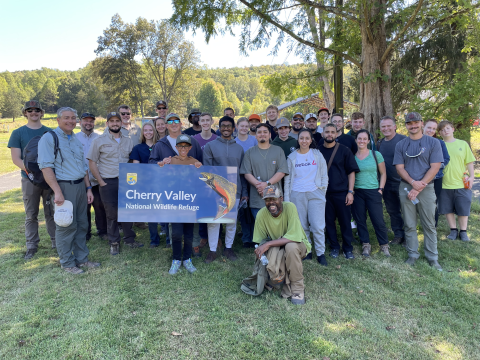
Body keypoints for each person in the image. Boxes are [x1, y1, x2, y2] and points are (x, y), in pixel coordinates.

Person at [38, 107, 99, 274]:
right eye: (66, 118)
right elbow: (46, 167)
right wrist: (57, 192)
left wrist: (88, 188)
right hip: (64, 187)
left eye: (73, 118)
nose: (70, 121)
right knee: (66, 225)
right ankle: (67, 263)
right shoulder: (49, 138)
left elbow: (83, 167)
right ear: (58, 120)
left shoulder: (75, 140)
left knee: (81, 224)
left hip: (80, 185)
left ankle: (82, 259)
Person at [393, 112, 444, 271]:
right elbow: (399, 168)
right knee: (409, 224)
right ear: (406, 125)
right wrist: (413, 183)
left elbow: (435, 167)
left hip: (427, 188)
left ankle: (432, 257)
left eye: (416, 122)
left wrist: (419, 185)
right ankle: (412, 254)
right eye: (409, 123)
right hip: (406, 186)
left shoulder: (434, 143)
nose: (413, 125)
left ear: (422, 123)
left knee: (429, 224)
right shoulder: (401, 145)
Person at [88, 112, 142, 255]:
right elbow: (91, 162)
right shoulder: (98, 141)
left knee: (127, 211)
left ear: (121, 123)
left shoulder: (128, 140)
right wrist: (100, 181)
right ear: (107, 123)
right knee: (111, 214)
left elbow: (131, 160)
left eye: (117, 121)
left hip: (126, 181)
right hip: (108, 182)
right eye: (111, 121)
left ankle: (130, 239)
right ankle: (114, 242)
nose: (115, 123)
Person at [8, 100, 56, 259]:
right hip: (29, 179)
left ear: (42, 113)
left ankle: (56, 241)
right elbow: (16, 158)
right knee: (31, 214)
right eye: (30, 110)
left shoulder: (49, 132)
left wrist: (45, 173)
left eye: (37, 110)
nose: (33, 113)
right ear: (25, 113)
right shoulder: (18, 133)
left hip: (47, 179)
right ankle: (31, 245)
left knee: (51, 212)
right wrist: (32, 172)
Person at [252, 185, 311, 305]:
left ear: (281, 199)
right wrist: (260, 252)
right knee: (268, 251)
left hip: (298, 245)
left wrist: (268, 244)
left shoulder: (290, 207)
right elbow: (260, 241)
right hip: (277, 247)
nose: (271, 203)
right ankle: (276, 278)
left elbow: (293, 237)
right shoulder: (261, 214)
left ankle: (297, 288)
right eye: (268, 200)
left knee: (291, 247)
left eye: (274, 199)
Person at [203, 116, 248, 263]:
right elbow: (207, 170)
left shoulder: (239, 149)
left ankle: (228, 248)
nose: (226, 128)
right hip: (215, 190)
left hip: (234, 190)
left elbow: (242, 173)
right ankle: (212, 250)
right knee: (214, 221)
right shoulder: (210, 146)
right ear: (219, 127)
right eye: (223, 126)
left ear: (233, 128)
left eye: (229, 126)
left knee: (231, 221)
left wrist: (244, 193)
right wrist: (211, 191)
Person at [157, 134, 202, 274]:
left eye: (186, 146)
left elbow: (201, 180)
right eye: (180, 146)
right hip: (174, 203)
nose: (183, 149)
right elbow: (159, 174)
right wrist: (161, 165)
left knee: (188, 233)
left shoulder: (195, 161)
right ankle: (176, 259)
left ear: (190, 147)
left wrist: (200, 168)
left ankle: (187, 259)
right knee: (176, 233)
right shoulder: (171, 160)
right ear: (176, 147)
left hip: (189, 203)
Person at [284, 129, 328, 265]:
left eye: (306, 138)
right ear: (298, 140)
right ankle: (307, 250)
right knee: (302, 225)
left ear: (311, 140)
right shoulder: (291, 157)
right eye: (301, 138)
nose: (304, 141)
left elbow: (324, 175)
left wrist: (322, 191)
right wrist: (287, 199)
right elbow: (288, 180)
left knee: (317, 225)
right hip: (297, 194)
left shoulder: (317, 155)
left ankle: (320, 253)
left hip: (315, 193)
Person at [318, 124, 359, 259]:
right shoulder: (317, 151)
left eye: (332, 132)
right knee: (329, 222)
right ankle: (334, 247)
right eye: (327, 132)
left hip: (342, 192)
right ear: (323, 133)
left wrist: (350, 191)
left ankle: (348, 248)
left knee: (345, 222)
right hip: (324, 193)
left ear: (337, 134)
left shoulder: (344, 150)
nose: (329, 134)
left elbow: (351, 172)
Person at [352, 130, 390, 257]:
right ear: (356, 140)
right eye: (359, 138)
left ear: (368, 141)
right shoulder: (352, 155)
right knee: (360, 220)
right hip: (357, 192)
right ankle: (365, 245)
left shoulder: (375, 154)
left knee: (378, 220)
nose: (362, 141)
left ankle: (384, 245)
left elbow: (383, 173)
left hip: (373, 191)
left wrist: (381, 189)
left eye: (364, 139)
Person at [240, 123, 289, 219]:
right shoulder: (249, 152)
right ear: (255, 135)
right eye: (259, 132)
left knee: (276, 230)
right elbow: (246, 173)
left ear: (270, 135)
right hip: (257, 199)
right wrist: (259, 185)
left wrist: (266, 184)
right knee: (261, 230)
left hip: (275, 198)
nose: (262, 134)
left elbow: (282, 171)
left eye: (265, 132)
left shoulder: (278, 150)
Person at [438, 120, 476, 241]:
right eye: (442, 130)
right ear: (440, 133)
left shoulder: (463, 144)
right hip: (444, 183)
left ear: (453, 129)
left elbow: (469, 161)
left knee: (463, 208)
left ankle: (463, 231)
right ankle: (453, 230)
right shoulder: (439, 145)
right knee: (447, 209)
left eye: (448, 128)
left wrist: (472, 176)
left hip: (462, 183)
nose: (445, 131)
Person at [130, 121, 162, 247]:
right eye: (146, 130)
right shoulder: (138, 148)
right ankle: (154, 239)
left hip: (161, 182)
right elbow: (135, 168)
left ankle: (168, 236)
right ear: (143, 133)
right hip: (146, 184)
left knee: (164, 209)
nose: (148, 132)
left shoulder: (160, 146)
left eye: (150, 130)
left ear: (154, 131)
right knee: (151, 212)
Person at [76, 112, 107, 242]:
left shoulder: (99, 137)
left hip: (96, 179)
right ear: (81, 122)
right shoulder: (75, 138)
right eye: (86, 121)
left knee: (100, 206)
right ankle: (85, 233)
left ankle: (102, 231)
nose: (88, 123)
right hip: (81, 179)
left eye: (91, 121)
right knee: (84, 208)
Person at [377, 116, 407, 245]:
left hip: (403, 182)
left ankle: (408, 236)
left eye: (389, 125)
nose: (386, 128)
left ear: (395, 126)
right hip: (387, 183)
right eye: (383, 126)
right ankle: (398, 235)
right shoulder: (380, 143)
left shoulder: (404, 140)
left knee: (407, 211)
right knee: (393, 211)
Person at [235, 117, 257, 247]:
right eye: (241, 126)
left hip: (253, 177)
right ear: (237, 127)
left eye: (246, 126)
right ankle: (246, 237)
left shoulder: (254, 140)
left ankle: (255, 235)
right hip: (239, 177)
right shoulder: (234, 142)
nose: (244, 128)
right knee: (243, 209)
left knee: (253, 207)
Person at [423, 119, 450, 227]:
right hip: (417, 178)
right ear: (423, 126)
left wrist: (433, 166)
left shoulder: (440, 143)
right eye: (429, 127)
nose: (431, 130)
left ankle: (432, 227)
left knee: (433, 203)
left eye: (434, 129)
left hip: (435, 178)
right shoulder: (413, 141)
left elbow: (446, 159)